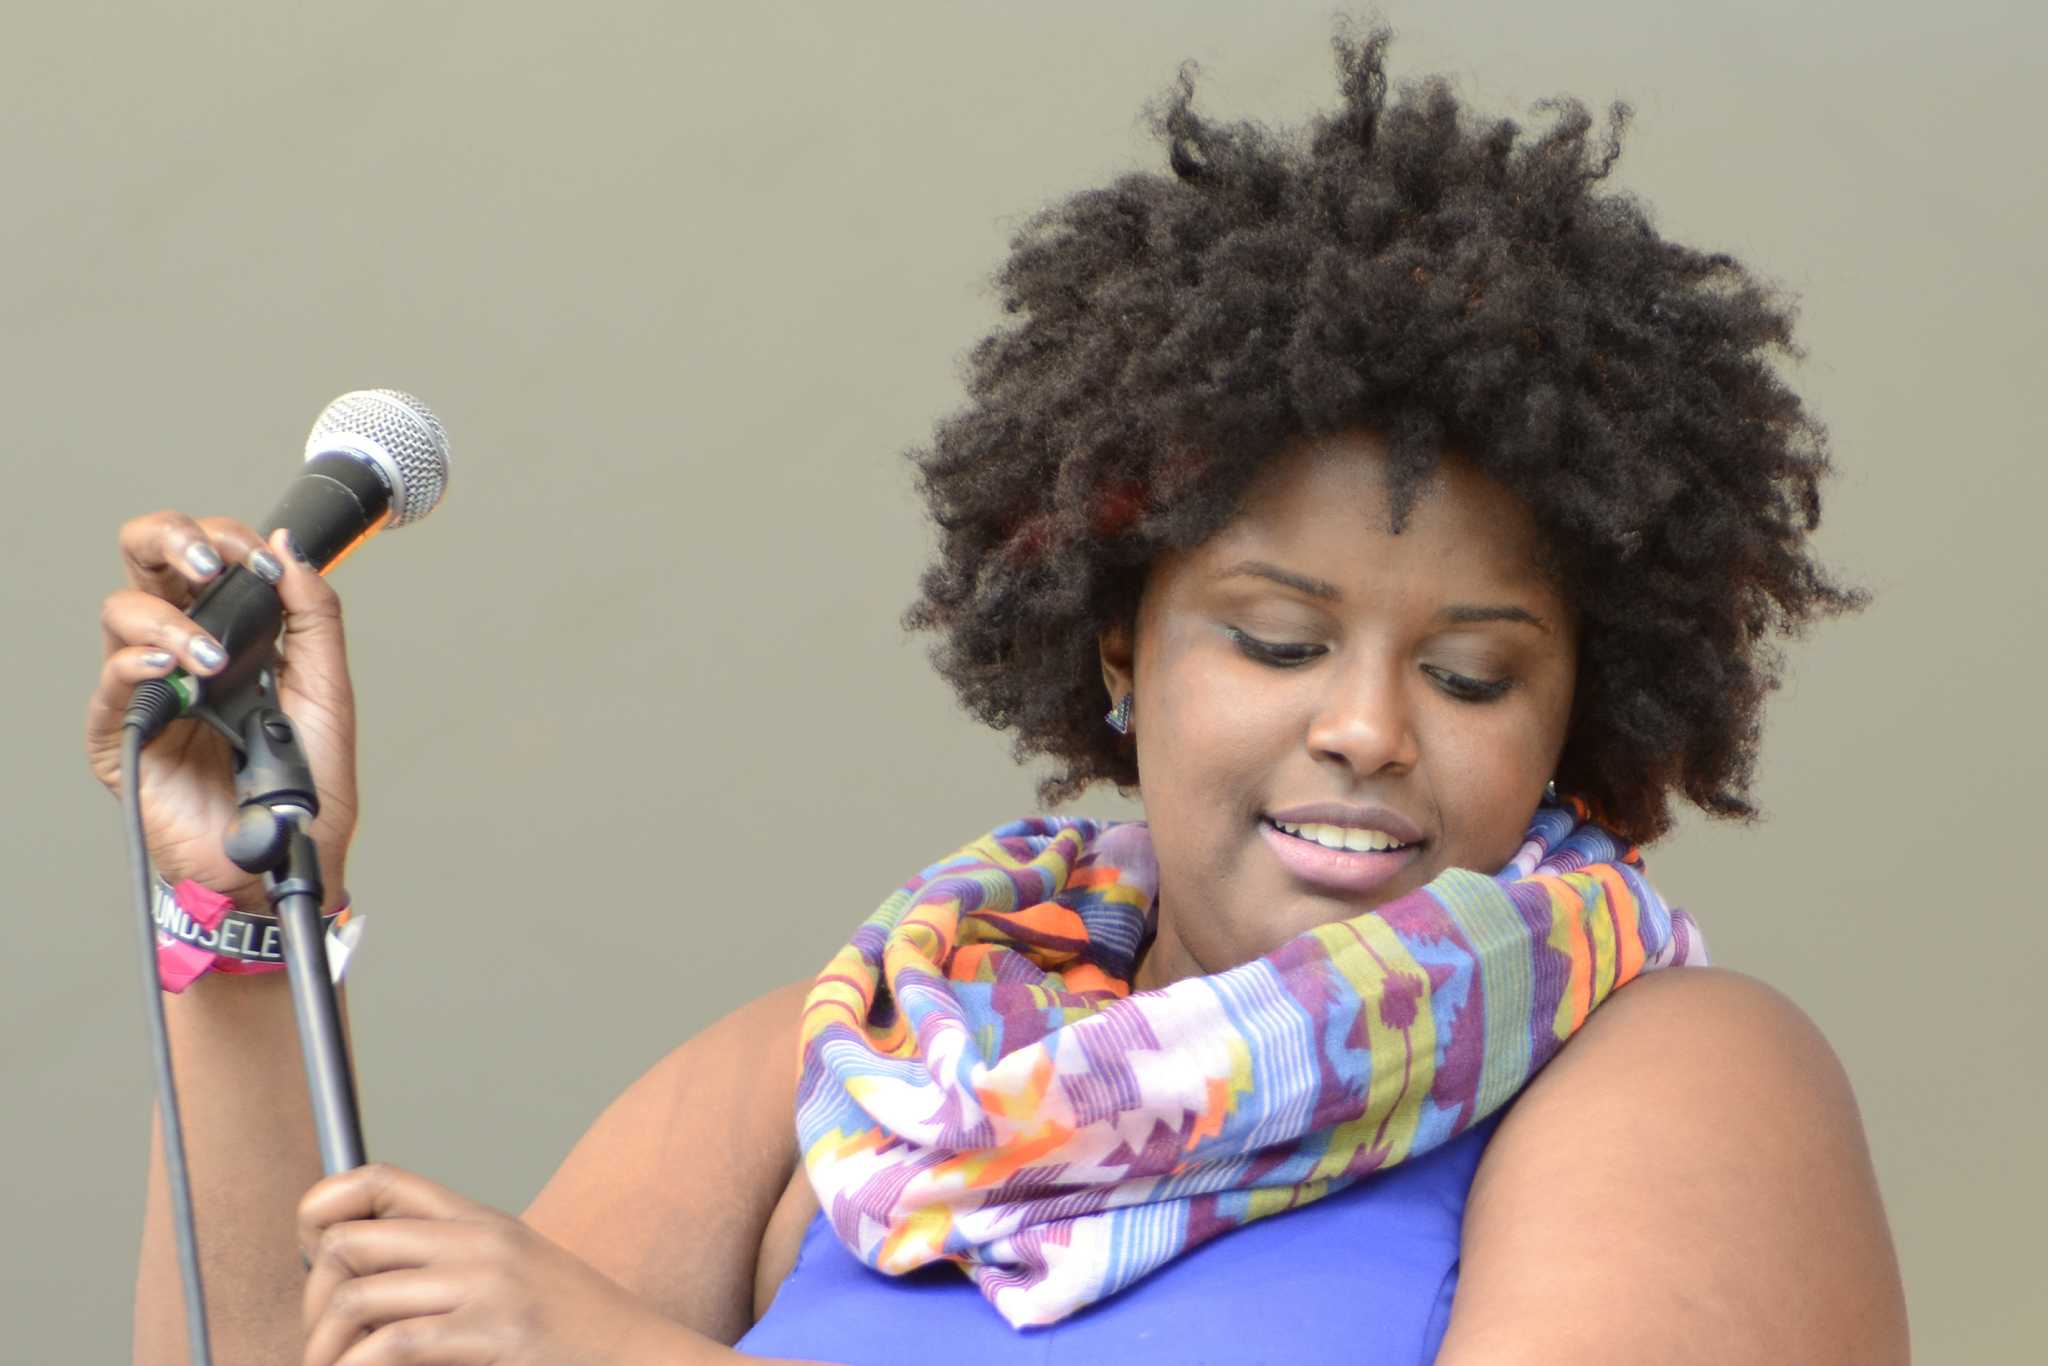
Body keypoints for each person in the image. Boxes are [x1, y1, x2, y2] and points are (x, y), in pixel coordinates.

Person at [87, 27, 1907, 1366]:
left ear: (1579, 699)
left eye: (1472, 671)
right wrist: (234, 900)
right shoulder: (864, 1065)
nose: (1369, 725)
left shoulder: (1663, 1066)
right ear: (1120, 650)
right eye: (1276, 640)